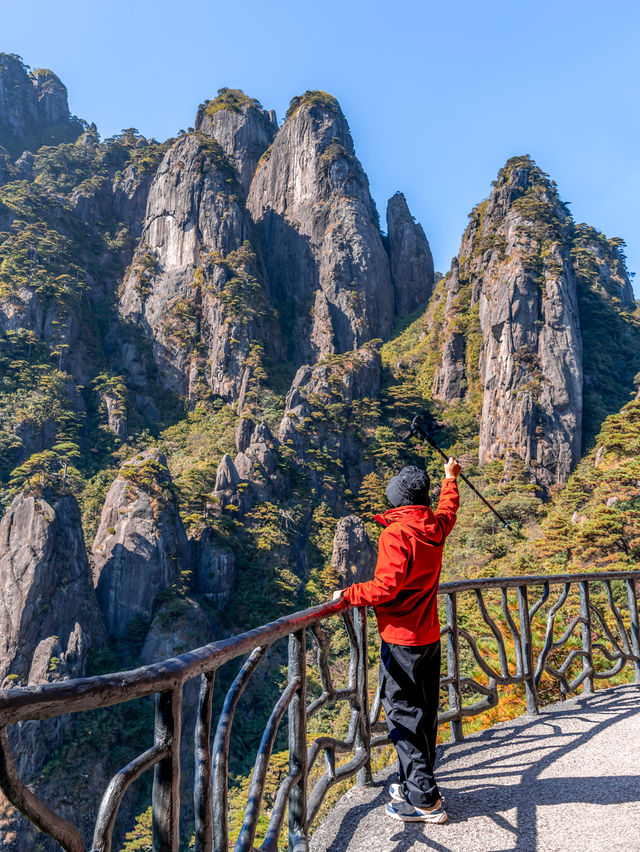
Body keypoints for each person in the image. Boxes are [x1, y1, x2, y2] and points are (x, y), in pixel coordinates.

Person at [333, 457, 461, 824]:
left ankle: (424, 800)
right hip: (429, 636)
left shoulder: (396, 534)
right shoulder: (433, 527)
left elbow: (386, 587)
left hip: (402, 640)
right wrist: (449, 480)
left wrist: (350, 593)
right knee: (424, 714)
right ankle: (413, 782)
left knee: (403, 715)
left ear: (398, 500)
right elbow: (447, 511)